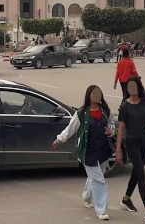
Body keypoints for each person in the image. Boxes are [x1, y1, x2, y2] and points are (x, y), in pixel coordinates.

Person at [53, 85, 115, 220]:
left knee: (95, 177)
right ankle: (101, 210)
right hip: (88, 151)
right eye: (94, 94)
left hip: (103, 150)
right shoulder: (81, 113)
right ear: (88, 96)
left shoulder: (105, 110)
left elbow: (111, 124)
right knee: (99, 180)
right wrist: (59, 139)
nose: (97, 96)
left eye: (99, 93)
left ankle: (87, 197)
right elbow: (71, 129)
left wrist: (111, 131)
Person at [116, 76, 145, 222]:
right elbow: (121, 129)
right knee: (141, 174)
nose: (131, 89)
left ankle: (126, 199)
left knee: (137, 172)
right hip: (132, 143)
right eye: (129, 87)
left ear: (138, 86)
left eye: (133, 86)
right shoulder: (125, 106)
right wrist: (118, 150)